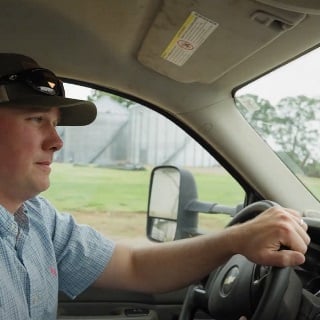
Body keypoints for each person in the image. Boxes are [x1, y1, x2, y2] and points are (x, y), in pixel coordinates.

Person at [0, 53, 310, 319]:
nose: (57, 142)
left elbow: (135, 266)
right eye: (36, 119)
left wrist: (235, 240)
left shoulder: (38, 218)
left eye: (55, 123)